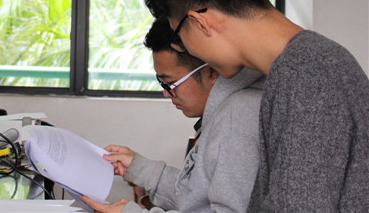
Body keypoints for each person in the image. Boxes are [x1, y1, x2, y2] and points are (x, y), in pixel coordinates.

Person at [144, 0, 369, 212]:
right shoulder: (299, 66)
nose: (189, 49)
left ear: (200, 22)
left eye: (180, 37)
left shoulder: (308, 75)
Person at [81, 17, 264, 213]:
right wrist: (139, 168)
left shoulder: (238, 118)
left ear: (212, 72)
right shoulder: (224, 112)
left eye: (171, 83)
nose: (167, 93)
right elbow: (196, 200)